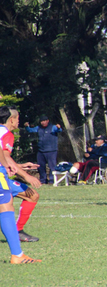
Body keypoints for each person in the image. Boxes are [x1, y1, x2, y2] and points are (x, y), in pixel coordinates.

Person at [0, 110, 40, 264]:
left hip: (3, 174)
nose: (19, 121)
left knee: (31, 196)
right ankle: (17, 254)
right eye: (17, 118)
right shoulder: (5, 133)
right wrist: (26, 175)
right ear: (11, 119)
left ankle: (18, 234)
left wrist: (18, 166)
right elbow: (5, 155)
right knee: (6, 208)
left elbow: (4, 157)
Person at [24, 114, 62, 184]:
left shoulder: (52, 127)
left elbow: (58, 130)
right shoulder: (39, 128)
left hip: (51, 150)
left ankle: (52, 180)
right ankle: (43, 180)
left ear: (48, 121)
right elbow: (31, 130)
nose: (43, 122)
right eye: (42, 121)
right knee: (40, 166)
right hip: (41, 151)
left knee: (52, 166)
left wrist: (59, 128)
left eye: (44, 121)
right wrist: (27, 127)